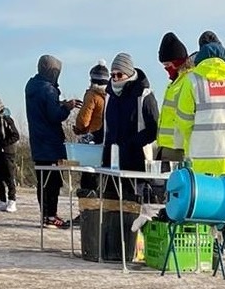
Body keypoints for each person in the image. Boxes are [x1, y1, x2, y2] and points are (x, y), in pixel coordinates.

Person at [175, 32, 225, 271]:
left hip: (205, 158)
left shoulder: (193, 81)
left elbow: (184, 119)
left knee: (206, 209)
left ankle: (211, 257)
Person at [25, 55, 81, 228]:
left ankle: (46, 215)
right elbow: (54, 115)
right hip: (51, 142)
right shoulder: (48, 90)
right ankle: (51, 216)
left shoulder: (32, 87)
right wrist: (66, 107)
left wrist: (59, 103)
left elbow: (43, 110)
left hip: (38, 142)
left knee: (43, 181)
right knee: (53, 181)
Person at [102, 53, 159, 176]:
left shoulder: (144, 95)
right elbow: (106, 128)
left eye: (119, 74)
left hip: (137, 161)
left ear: (129, 74)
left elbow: (153, 129)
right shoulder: (109, 96)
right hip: (111, 161)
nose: (115, 79)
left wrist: (131, 144)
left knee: (133, 194)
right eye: (112, 75)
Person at [73, 60, 108, 194]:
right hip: (106, 142)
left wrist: (79, 129)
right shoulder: (111, 95)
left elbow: (83, 120)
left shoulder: (92, 95)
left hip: (92, 142)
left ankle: (86, 210)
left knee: (88, 178)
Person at [156, 32, 191, 165]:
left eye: (168, 65)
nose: (166, 70)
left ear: (177, 62)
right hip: (167, 147)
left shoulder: (187, 81)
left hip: (179, 149)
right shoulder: (175, 83)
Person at [0, 94, 20, 212]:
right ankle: (2, 201)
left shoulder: (6, 118)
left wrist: (3, 145)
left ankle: (12, 201)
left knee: (9, 177)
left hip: (7, 152)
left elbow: (16, 135)